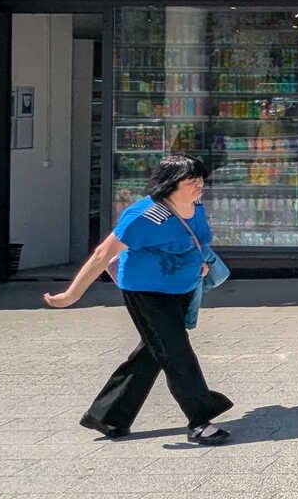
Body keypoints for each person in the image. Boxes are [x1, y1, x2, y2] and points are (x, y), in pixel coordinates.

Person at [48, 153, 234, 446]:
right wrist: (71, 295)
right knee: (176, 351)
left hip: (183, 289)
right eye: (191, 180)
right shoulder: (145, 216)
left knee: (153, 351)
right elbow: (102, 254)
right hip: (147, 293)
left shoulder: (195, 206)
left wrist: (200, 263)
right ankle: (200, 418)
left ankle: (108, 414)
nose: (199, 185)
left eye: (200, 178)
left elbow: (195, 240)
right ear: (170, 183)